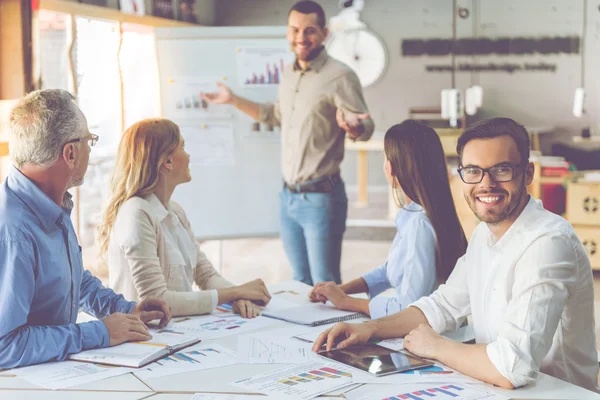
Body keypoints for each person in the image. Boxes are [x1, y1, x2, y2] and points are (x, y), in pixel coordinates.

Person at [312, 118, 599, 392]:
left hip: (558, 392)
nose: (486, 184)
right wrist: (369, 329)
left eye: (501, 169)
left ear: (527, 174)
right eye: (473, 170)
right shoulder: (484, 236)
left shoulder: (547, 242)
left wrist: (436, 346)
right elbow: (442, 306)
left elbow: (511, 367)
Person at [201, 0, 374, 286]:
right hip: (288, 198)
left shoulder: (340, 76)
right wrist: (232, 100)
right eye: (295, 30)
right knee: (298, 281)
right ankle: (308, 334)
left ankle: (336, 332)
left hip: (321, 199)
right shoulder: (289, 73)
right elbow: (274, 115)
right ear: (287, 32)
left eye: (309, 31)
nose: (301, 38)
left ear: (324, 33)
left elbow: (365, 126)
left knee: (325, 284)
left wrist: (355, 127)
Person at [0, 89, 171, 369]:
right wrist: (99, 333)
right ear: (70, 153)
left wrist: (125, 310)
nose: (91, 149)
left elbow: (70, 278)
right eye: (89, 140)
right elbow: (4, 346)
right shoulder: (13, 232)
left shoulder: (49, 200)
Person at [97, 118, 272, 319]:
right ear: (167, 162)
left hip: (180, 331)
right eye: (183, 147)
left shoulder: (175, 212)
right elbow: (155, 300)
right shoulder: (136, 213)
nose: (188, 155)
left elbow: (206, 275)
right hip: (147, 338)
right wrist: (235, 292)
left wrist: (240, 296)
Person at [308, 121, 467, 319]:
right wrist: (341, 290)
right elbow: (392, 270)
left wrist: (345, 302)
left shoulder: (420, 226)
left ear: (391, 168)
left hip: (422, 334)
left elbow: (407, 307)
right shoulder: (418, 214)